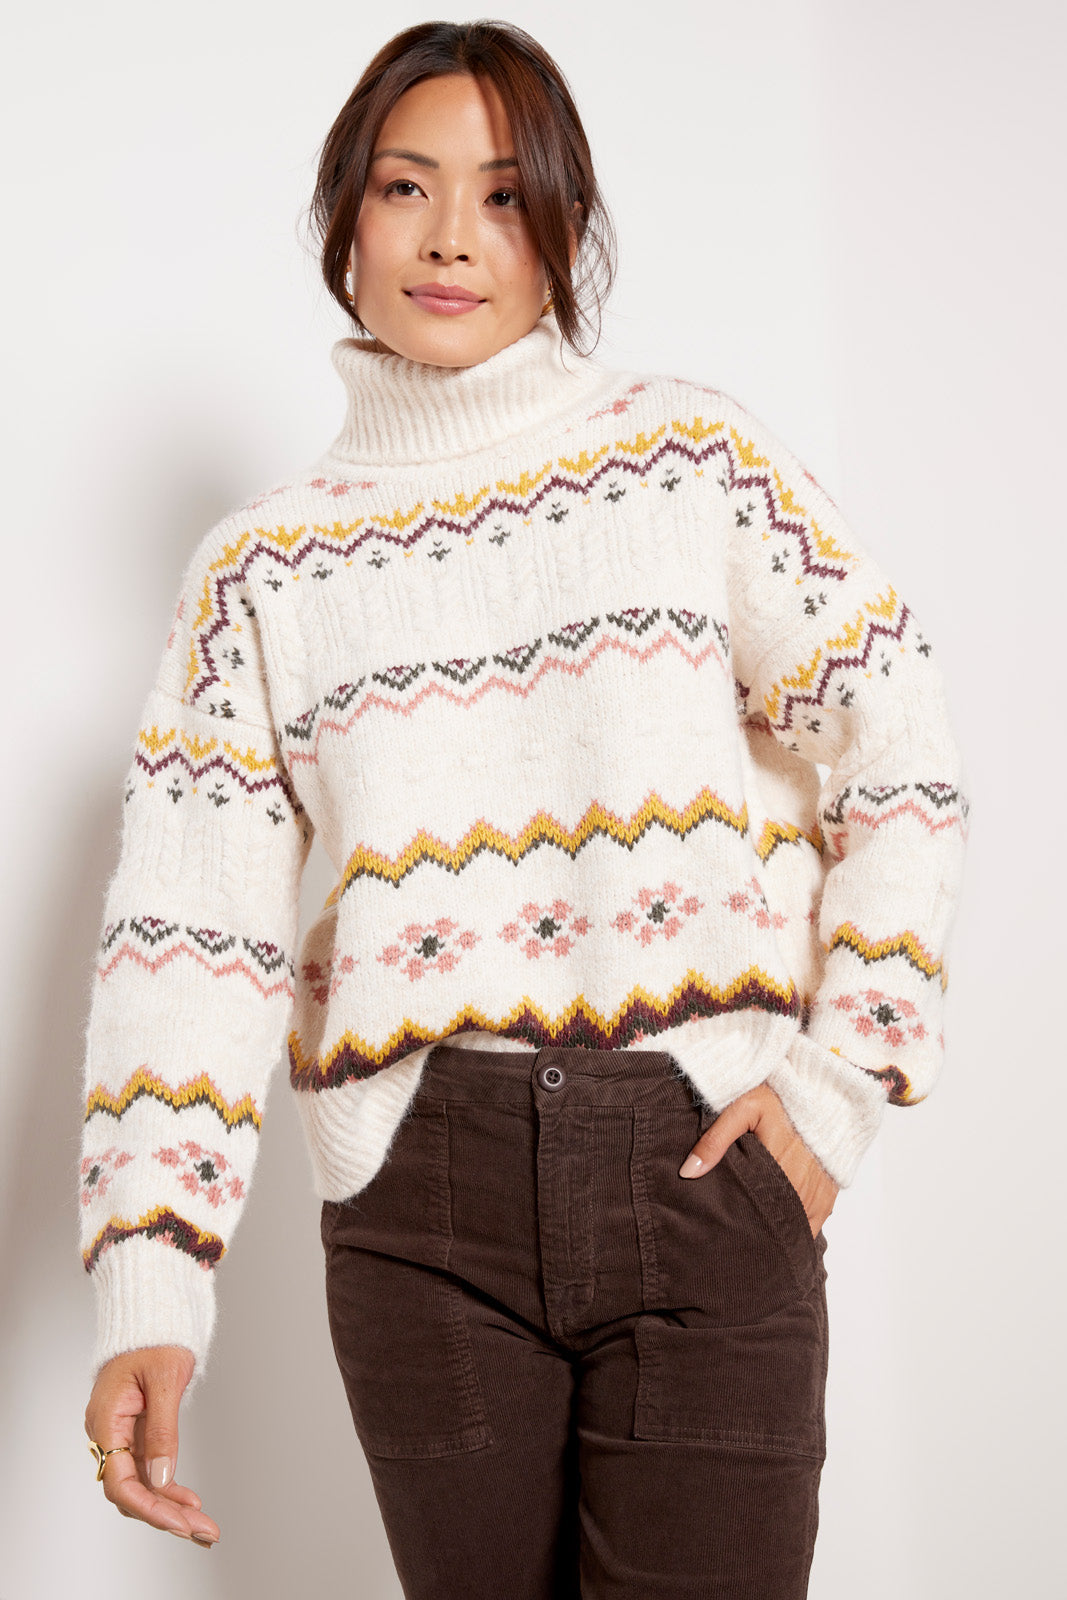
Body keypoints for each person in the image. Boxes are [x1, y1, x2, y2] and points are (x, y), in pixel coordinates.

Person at [80, 18, 970, 1597]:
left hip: (706, 1163)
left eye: (503, 196)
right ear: (344, 216)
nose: (450, 238)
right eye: (405, 188)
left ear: (564, 226)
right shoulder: (262, 573)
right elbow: (190, 934)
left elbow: (897, 742)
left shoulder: (691, 466)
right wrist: (153, 1279)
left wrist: (840, 1089)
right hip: (423, 1204)